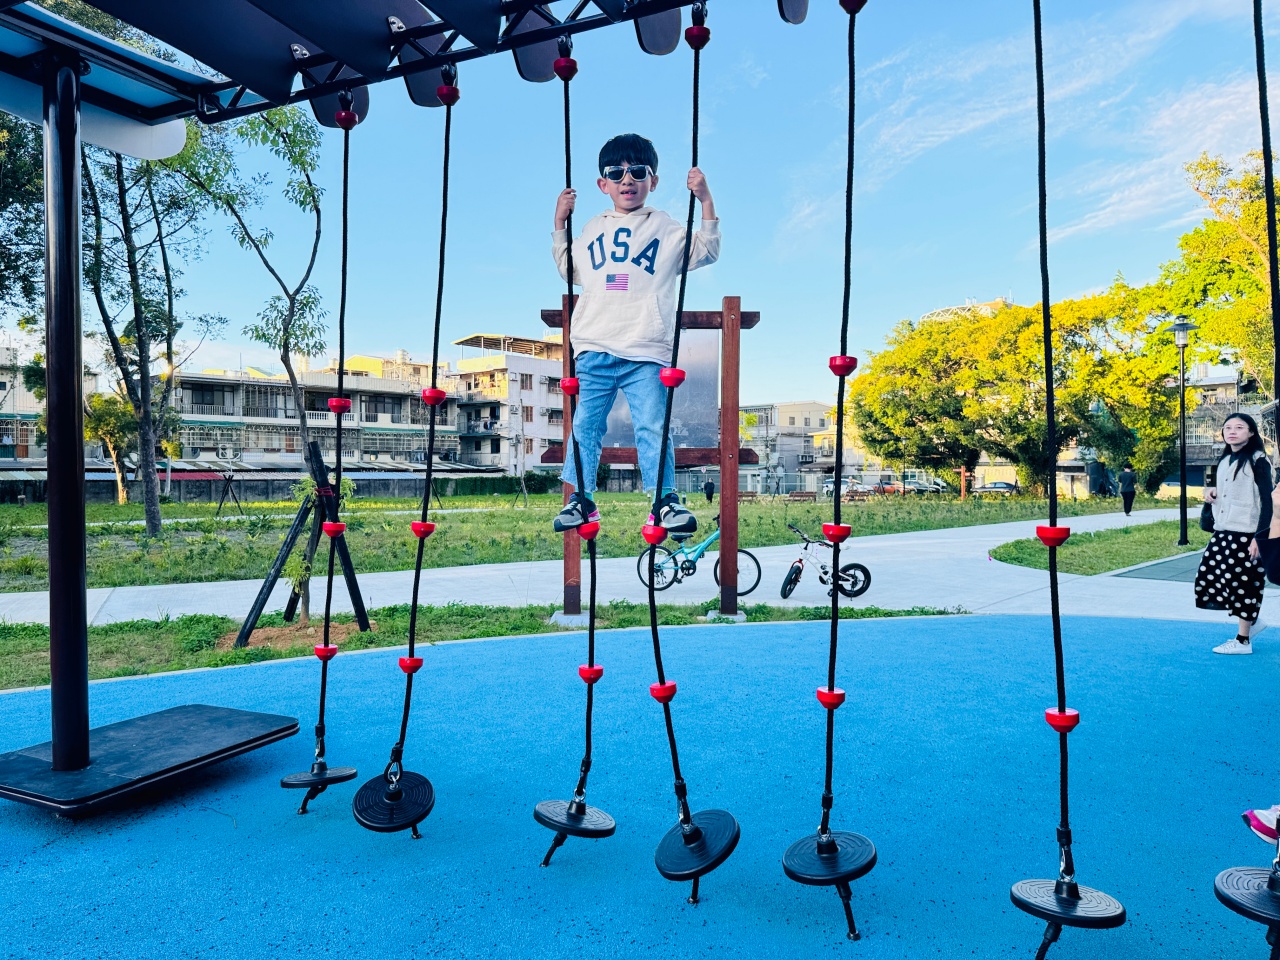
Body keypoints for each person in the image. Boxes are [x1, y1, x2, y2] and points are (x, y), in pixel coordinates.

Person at [551, 133, 719, 534]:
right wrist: (559, 222)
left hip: (645, 346)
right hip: (594, 345)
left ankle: (663, 500)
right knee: (585, 426)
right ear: (602, 184)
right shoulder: (591, 228)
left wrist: (706, 201)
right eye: (616, 172)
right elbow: (568, 268)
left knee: (652, 425)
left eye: (638, 171)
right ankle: (583, 499)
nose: (628, 179)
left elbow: (706, 251)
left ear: (653, 181)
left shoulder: (665, 227)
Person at [1195, 413, 1272, 655]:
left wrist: (1260, 537)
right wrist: (1212, 492)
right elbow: (1230, 489)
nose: (1232, 431)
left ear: (1251, 433)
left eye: (1240, 427)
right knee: (1212, 577)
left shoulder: (1259, 460)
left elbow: (1267, 501)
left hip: (1247, 534)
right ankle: (1253, 621)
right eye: (1228, 427)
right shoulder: (1226, 459)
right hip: (1223, 530)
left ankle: (1242, 640)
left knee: (1244, 584)